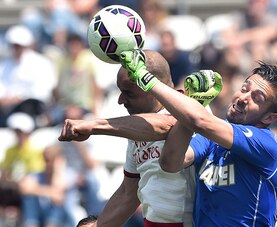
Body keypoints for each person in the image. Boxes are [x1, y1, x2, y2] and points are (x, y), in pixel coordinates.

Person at [118, 49, 277, 226]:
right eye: (244, 89)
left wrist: (147, 79)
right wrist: (195, 101)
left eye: (257, 98)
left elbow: (200, 120)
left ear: (269, 118)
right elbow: (170, 163)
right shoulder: (211, 139)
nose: (243, 98)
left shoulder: (264, 143)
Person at [58, 50, 199, 226]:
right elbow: (128, 192)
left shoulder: (193, 106)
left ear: (153, 88)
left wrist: (94, 125)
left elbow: (166, 125)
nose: (120, 100)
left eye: (129, 93)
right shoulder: (138, 125)